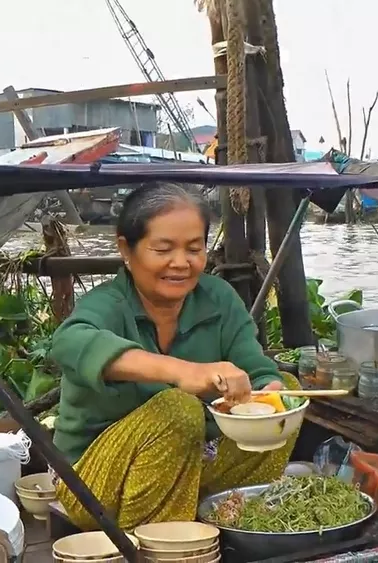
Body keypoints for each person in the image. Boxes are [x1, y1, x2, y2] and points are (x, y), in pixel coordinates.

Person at [48, 182, 300, 531]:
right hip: (91, 483)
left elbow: (257, 370)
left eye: (194, 249)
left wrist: (268, 391)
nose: (181, 263)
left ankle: (224, 515)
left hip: (193, 466)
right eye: (163, 249)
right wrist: (181, 372)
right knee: (177, 408)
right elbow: (69, 342)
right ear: (126, 249)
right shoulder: (107, 304)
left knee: (286, 394)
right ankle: (155, 542)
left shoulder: (218, 298)